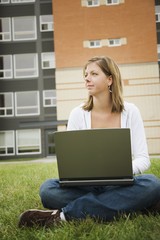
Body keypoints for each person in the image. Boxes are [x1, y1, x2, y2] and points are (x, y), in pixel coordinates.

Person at [18, 56, 160, 228]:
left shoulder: (130, 111)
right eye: (86, 74)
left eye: (93, 73)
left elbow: (143, 159)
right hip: (86, 186)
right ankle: (132, 205)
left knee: (152, 183)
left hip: (119, 185)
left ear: (109, 79)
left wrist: (119, 170)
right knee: (48, 190)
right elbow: (71, 161)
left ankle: (61, 217)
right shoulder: (77, 113)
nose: (87, 78)